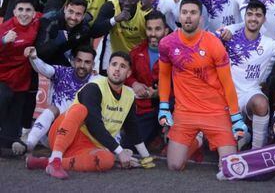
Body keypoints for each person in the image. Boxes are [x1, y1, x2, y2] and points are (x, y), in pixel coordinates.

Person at [25, 52, 153, 179]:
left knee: (107, 160)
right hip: (65, 134)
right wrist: (120, 152)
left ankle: (45, 162)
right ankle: (54, 159)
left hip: (88, 146)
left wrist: (146, 157)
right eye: (114, 64)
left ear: (128, 73)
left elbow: (132, 127)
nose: (117, 69)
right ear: (108, 68)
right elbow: (94, 124)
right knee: (80, 109)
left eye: (122, 66)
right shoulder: (94, 87)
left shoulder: (129, 95)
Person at [158, 0, 246, 171]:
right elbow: (164, 76)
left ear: (201, 18)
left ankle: (217, 138)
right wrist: (163, 107)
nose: (188, 17)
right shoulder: (167, 43)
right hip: (185, 111)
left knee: (228, 168)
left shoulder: (214, 43)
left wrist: (236, 117)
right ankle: (197, 140)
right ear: (179, 16)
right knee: (175, 166)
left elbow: (227, 82)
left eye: (193, 13)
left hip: (215, 111)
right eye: (184, 13)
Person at [221, 1, 275, 149]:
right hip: (226, 94)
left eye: (258, 15)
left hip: (250, 93)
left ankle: (257, 150)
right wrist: (223, 34)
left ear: (264, 19)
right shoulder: (228, 37)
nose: (253, 18)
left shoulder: (270, 44)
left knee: (261, 103)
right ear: (245, 16)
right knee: (229, 146)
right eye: (250, 14)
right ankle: (244, 134)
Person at [23, 45, 96, 152]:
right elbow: (44, 69)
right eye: (79, 60)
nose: (82, 65)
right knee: (53, 109)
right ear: (73, 61)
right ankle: (29, 144)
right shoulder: (62, 72)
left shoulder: (97, 81)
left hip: (77, 137)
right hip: (52, 134)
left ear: (93, 65)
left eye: (87, 62)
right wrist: (34, 58)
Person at [121, 11, 169, 149]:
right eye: (149, 29)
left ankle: (167, 134)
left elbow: (183, 81)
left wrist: (161, 92)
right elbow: (126, 74)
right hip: (145, 107)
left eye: (157, 29)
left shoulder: (175, 52)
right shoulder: (136, 52)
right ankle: (155, 135)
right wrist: (134, 83)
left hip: (170, 106)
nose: (153, 34)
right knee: (129, 146)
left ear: (165, 30)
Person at [0, 0, 41, 153]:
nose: (24, 14)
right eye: (21, 10)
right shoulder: (5, 28)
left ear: (34, 13)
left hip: (21, 81)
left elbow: (55, 15)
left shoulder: (37, 22)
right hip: (2, 79)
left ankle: (12, 141)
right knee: (3, 99)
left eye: (28, 10)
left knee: (9, 140)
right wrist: (3, 41)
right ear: (14, 11)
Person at [92, 0, 148, 71]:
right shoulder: (111, 6)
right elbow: (95, 32)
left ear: (137, 0)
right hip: (115, 52)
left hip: (138, 55)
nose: (126, 3)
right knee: (107, 77)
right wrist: (115, 19)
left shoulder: (145, 11)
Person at [36, 0, 92, 67]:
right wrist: (56, 41)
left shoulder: (84, 28)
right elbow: (39, 53)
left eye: (78, 14)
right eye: (71, 11)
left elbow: (85, 52)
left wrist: (88, 68)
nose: (73, 17)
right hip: (39, 63)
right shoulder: (49, 20)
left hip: (60, 58)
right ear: (65, 9)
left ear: (83, 16)